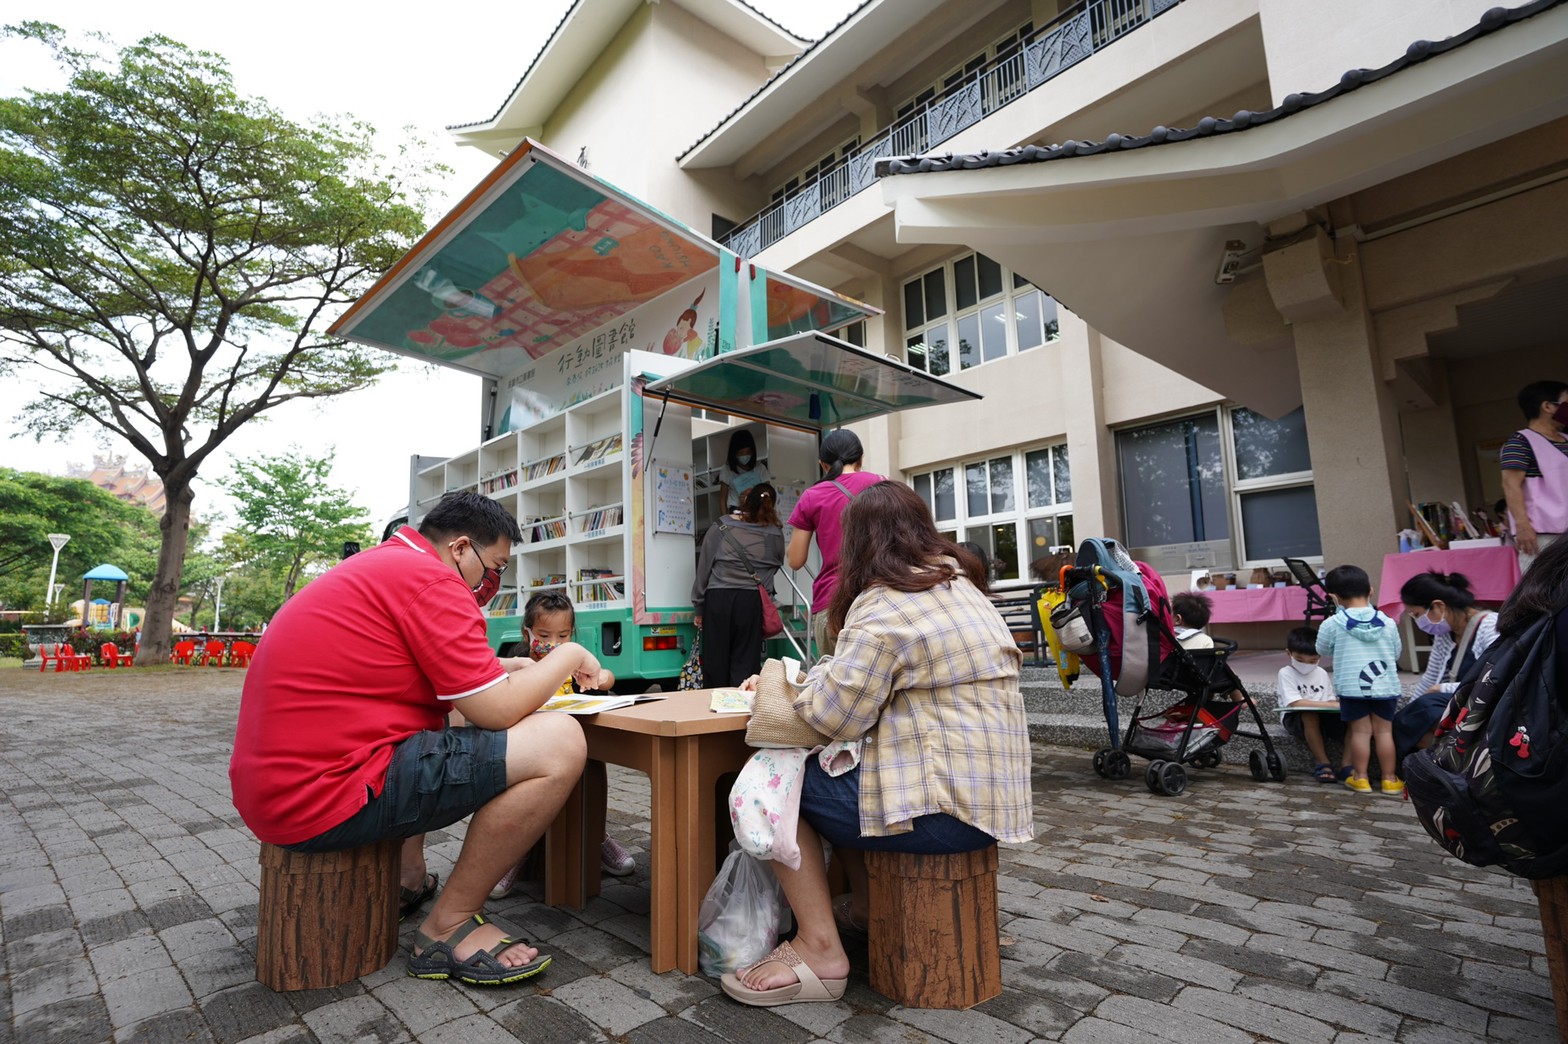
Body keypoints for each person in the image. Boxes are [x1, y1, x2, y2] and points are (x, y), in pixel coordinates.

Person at [230, 492, 599, 986]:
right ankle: (448, 925)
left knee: (432, 726)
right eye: (495, 567)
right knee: (560, 741)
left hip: (285, 787)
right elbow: (496, 709)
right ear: (462, 548)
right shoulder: (432, 580)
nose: (493, 583)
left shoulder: (387, 566)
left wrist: (512, 666)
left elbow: (444, 684)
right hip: (324, 794)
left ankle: (408, 881)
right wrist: (570, 653)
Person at [721, 481, 1033, 1007]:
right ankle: (864, 907)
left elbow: (833, 717)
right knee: (837, 770)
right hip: (993, 804)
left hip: (939, 811)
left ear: (855, 543)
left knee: (773, 780)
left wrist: (777, 684)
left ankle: (820, 949)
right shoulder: (963, 588)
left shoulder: (883, 605)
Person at [490, 591, 632, 899]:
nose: (553, 643)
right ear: (526, 633)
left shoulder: (576, 663)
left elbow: (607, 679)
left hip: (575, 736)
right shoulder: (521, 662)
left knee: (593, 765)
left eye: (563, 635)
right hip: (533, 742)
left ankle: (597, 837)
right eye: (543, 635)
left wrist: (600, 677)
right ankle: (514, 853)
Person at [786, 429, 886, 656]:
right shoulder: (882, 484)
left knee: (834, 686)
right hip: (880, 595)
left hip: (832, 600)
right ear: (860, 459)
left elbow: (795, 560)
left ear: (822, 464)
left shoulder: (813, 495)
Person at [1315, 564, 1403, 797]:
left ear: (1334, 597)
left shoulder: (1332, 624)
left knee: (1360, 733)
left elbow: (1321, 649)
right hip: (1385, 686)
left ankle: (1361, 778)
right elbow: (1396, 653)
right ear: (1371, 591)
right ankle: (1390, 779)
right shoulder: (1388, 622)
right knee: (1384, 732)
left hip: (1353, 688)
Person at [693, 484, 786, 686]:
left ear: (747, 502)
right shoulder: (774, 534)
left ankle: (714, 711)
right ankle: (741, 711)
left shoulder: (721, 526)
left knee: (715, 662)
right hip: (750, 600)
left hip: (718, 599)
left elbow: (704, 568)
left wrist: (699, 606)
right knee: (746, 664)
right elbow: (777, 563)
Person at [1500, 379, 1568, 572]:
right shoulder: (1521, 441)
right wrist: (1522, 526)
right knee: (1544, 591)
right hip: (1543, 534)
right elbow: (1510, 484)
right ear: (1547, 406)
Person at [1400, 571, 1500, 700]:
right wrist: (1409, 710)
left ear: (1439, 606)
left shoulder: (1491, 626)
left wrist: (1442, 688)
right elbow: (1431, 677)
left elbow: (1498, 678)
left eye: (1417, 614)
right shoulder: (1445, 634)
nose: (1417, 621)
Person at [1274, 626, 1344, 784]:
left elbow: (1330, 699)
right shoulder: (1285, 673)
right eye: (1299, 660)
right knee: (1309, 714)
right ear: (1288, 653)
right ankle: (1323, 762)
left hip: (1324, 716)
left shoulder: (1321, 673)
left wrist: (1335, 705)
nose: (1306, 664)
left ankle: (1348, 765)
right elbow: (1295, 702)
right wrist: (1332, 706)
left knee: (1356, 719)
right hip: (1295, 718)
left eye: (1313, 661)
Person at [717, 429, 773, 514]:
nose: (744, 456)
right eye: (741, 453)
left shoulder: (760, 468)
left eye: (748, 452)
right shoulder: (726, 470)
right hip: (736, 512)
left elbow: (768, 494)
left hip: (757, 512)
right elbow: (722, 501)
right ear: (734, 453)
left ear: (752, 451)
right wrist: (725, 522)